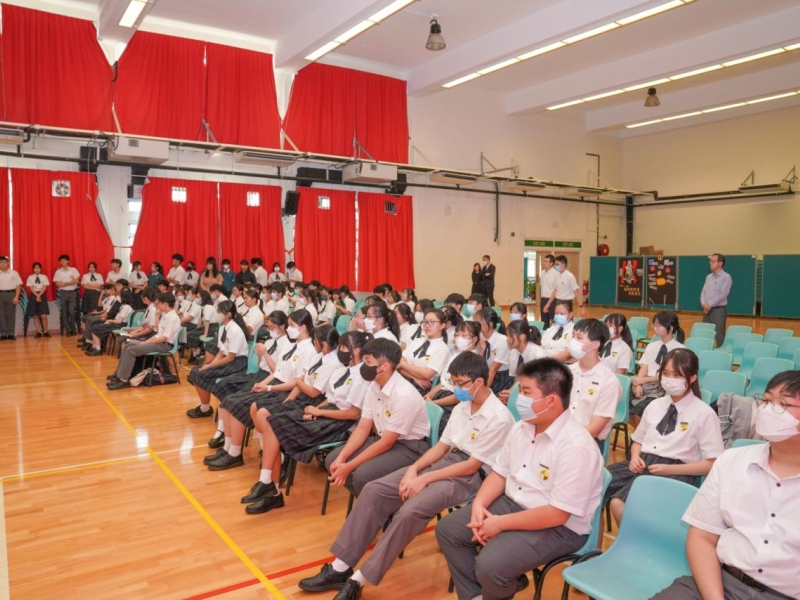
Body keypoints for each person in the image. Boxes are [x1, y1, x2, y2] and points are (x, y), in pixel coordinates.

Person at [300, 352, 514, 599]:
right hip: (445, 462)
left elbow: (470, 466)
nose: (457, 388)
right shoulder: (462, 407)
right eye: (454, 382)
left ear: (479, 382)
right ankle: (340, 567)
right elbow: (441, 447)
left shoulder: (499, 417)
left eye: (461, 383)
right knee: (374, 490)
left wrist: (423, 478)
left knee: (410, 510)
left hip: (469, 476)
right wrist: (414, 469)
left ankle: (359, 579)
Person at [435, 357, 605, 600]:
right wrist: (479, 505)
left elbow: (558, 514)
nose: (518, 398)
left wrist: (500, 523)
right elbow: (499, 473)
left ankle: (498, 584)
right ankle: (478, 594)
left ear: (551, 401)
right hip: (514, 503)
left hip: (560, 526)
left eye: (525, 392)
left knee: (491, 565)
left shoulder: (577, 447)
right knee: (449, 531)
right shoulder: (521, 427)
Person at [651, 370, 800, 600]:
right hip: (721, 582)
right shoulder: (732, 461)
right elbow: (702, 537)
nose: (768, 410)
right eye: (767, 400)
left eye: (783, 404)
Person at [606, 348, 724, 526]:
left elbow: (712, 463)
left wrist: (670, 469)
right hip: (644, 463)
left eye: (677, 375)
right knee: (598, 482)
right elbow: (638, 441)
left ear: (692, 378)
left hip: (678, 471)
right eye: (666, 373)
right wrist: (635, 457)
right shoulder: (655, 405)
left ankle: (636, 540)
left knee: (619, 503)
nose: (669, 379)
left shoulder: (704, 414)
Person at [325, 339, 430, 498]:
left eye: (368, 361)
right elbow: (363, 427)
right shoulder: (374, 385)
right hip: (383, 439)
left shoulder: (404, 395)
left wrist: (349, 466)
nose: (363, 366)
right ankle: (370, 502)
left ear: (384, 366)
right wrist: (342, 458)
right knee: (332, 461)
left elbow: (387, 442)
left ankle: (378, 506)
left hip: (409, 447)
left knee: (361, 475)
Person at [185, 301, 250, 417]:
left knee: (203, 373)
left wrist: (210, 366)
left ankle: (205, 409)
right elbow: (221, 351)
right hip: (227, 359)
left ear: (228, 314)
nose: (217, 314)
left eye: (219, 312)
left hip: (237, 363)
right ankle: (205, 406)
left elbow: (231, 357)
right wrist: (211, 364)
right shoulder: (223, 328)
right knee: (196, 371)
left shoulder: (235, 330)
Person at [107, 292, 181, 390]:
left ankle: (123, 380)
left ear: (165, 304)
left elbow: (164, 338)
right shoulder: (165, 315)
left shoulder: (172, 317)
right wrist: (156, 317)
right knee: (128, 346)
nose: (157, 305)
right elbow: (159, 332)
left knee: (131, 350)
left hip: (165, 345)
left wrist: (146, 342)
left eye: (159, 303)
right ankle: (118, 375)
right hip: (159, 342)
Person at [567, 319, 622, 444]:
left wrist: (565, 441)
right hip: (560, 436)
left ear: (595, 344)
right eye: (573, 336)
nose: (572, 341)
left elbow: (594, 430)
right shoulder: (567, 372)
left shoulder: (609, 382)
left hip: (586, 441)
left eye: (579, 337)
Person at [631, 311, 686, 425]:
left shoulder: (680, 350)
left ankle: (642, 434)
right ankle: (642, 431)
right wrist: (638, 384)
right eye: (654, 325)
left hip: (662, 387)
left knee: (640, 409)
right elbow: (644, 367)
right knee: (620, 399)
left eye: (659, 325)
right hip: (645, 384)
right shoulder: (652, 346)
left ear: (670, 328)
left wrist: (643, 380)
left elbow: (670, 376)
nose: (655, 328)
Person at [397, 307, 450, 393]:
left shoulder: (442, 349)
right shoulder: (417, 341)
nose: (427, 325)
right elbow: (398, 365)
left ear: (442, 325)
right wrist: (415, 377)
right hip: (405, 379)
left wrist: (403, 364)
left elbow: (426, 374)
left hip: (421, 387)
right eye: (425, 322)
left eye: (431, 322)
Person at [85, 289, 134, 355]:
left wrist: (110, 321)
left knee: (95, 328)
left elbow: (119, 321)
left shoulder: (126, 307)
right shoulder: (123, 306)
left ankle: (97, 349)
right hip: (117, 324)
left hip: (120, 326)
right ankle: (95, 347)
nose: (118, 297)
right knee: (95, 327)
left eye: (120, 295)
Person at [475, 308, 511, 395]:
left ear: (490, 324)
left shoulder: (502, 341)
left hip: (500, 378)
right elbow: (478, 365)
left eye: (479, 322)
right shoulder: (479, 338)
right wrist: (482, 349)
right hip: (484, 374)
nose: (476, 325)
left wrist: (484, 391)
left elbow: (493, 369)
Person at [701, 253, 733, 348]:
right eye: (710, 261)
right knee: (706, 332)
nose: (710, 263)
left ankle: (721, 351)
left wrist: (710, 305)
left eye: (713, 261)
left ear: (720, 263)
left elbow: (723, 294)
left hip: (718, 310)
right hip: (707, 310)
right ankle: (706, 351)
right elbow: (703, 292)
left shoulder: (726, 277)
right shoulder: (708, 277)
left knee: (719, 334)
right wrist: (703, 303)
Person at [52, 254, 80, 337]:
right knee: (64, 312)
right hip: (63, 293)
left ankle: (73, 329)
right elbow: (58, 284)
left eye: (64, 260)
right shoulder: (58, 272)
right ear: (60, 262)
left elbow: (76, 281)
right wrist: (69, 282)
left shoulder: (73, 270)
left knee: (72, 312)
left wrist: (64, 283)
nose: (63, 261)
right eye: (61, 260)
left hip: (73, 293)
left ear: (68, 261)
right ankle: (67, 329)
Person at [25, 262, 51, 338]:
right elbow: (31, 288)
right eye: (35, 268)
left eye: (38, 268)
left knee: (44, 315)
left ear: (40, 269)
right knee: (35, 315)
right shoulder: (30, 277)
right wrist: (36, 295)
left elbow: (45, 287)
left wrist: (39, 295)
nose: (37, 269)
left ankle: (45, 331)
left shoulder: (44, 277)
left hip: (42, 294)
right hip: (33, 295)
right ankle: (38, 332)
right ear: (33, 269)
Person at [0, 255, 22, 340]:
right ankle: (3, 334)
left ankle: (11, 333)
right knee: (1, 315)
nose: (2, 264)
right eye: (1, 262)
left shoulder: (14, 273)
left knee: (11, 315)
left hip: (11, 294)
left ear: (8, 263)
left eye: (4, 262)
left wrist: (16, 297)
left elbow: (18, 286)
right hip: (0, 294)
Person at [539, 254, 560, 329]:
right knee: (544, 322)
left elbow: (556, 290)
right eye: (544, 261)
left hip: (552, 300)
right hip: (543, 300)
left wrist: (548, 304)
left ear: (551, 263)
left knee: (554, 321)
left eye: (546, 261)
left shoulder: (556, 274)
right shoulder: (542, 273)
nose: (544, 263)